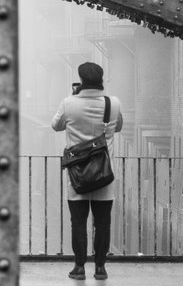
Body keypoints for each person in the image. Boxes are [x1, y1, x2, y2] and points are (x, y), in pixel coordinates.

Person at [51, 62, 124, 281]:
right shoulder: (113, 103)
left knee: (78, 223)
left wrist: (72, 99)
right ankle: (100, 268)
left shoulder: (68, 103)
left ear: (81, 81)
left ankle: (79, 267)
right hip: (104, 174)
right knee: (102, 223)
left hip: (78, 176)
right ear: (101, 80)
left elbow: (56, 125)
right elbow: (118, 127)